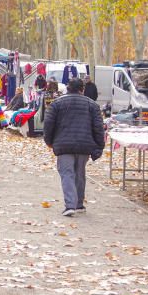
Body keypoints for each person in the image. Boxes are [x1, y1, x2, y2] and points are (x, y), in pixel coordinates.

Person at [43, 77, 105, 217]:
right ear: (82, 89)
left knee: (67, 173)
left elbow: (48, 124)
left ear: (67, 88)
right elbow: (98, 128)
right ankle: (78, 204)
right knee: (80, 173)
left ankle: (70, 205)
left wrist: (49, 141)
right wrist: (99, 146)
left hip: (63, 144)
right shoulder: (92, 105)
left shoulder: (56, 104)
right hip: (84, 144)